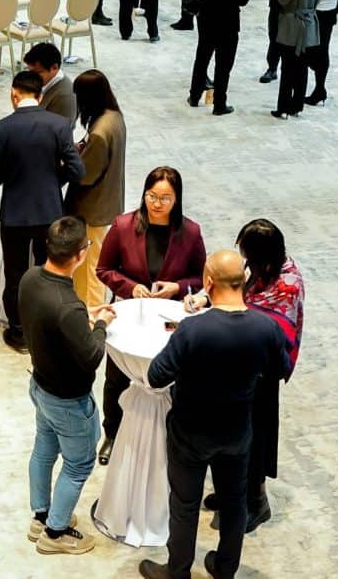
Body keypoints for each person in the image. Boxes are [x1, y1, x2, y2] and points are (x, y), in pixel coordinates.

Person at [138, 250, 290, 579]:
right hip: (237, 431)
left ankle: (177, 571)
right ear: (244, 279)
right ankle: (224, 568)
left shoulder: (192, 330)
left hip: (190, 432)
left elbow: (156, 376)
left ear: (208, 283)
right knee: (234, 501)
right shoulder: (266, 327)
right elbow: (280, 369)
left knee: (185, 504)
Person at [197, 220, 305, 533]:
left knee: (256, 437)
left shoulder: (287, 285)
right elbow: (240, 298)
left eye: (247, 254)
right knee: (234, 433)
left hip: (264, 371)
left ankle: (256, 502)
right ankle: (235, 493)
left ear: (264, 257)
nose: (244, 261)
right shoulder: (259, 269)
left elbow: (266, 327)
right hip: (241, 365)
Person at [95, 167, 206, 464]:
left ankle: (171, 437)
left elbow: (202, 278)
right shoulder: (123, 226)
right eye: (152, 196)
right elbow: (103, 270)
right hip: (131, 314)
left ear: (177, 199)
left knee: (174, 377)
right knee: (115, 378)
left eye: (165, 198)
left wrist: (178, 287)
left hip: (169, 320)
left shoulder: (190, 232)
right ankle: (112, 433)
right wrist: (132, 288)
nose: (157, 203)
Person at [20, 215, 116, 556]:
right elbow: (91, 357)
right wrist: (100, 323)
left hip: (40, 386)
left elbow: (50, 321)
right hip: (68, 400)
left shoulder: (31, 279)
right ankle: (55, 533)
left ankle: (41, 516)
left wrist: (82, 317)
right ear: (81, 254)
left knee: (44, 449)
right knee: (78, 464)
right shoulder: (67, 305)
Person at [0, 71, 85, 352]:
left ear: (14, 95)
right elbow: (77, 171)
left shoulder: (0, 129)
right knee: (49, 271)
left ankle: (19, 333)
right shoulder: (60, 125)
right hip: (49, 213)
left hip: (14, 214)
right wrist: (54, 180)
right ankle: (48, 326)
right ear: (40, 96)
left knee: (16, 275)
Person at [65, 70, 126, 307]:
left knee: (89, 268)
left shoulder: (100, 132)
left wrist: (69, 161)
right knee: (90, 264)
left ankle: (90, 315)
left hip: (93, 209)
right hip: (108, 202)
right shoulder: (114, 117)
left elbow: (86, 175)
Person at [188, 0, 250, 115]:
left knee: (202, 57)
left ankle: (194, 95)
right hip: (227, 22)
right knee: (223, 65)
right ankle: (219, 104)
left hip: (206, 17)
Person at [273, 0, 324, 119]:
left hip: (292, 26)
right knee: (302, 68)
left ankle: (283, 107)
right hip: (309, 25)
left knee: (287, 68)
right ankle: (297, 105)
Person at [24, 41, 77, 125]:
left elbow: (57, 134)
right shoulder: (45, 82)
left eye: (37, 73)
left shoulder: (64, 96)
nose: (32, 77)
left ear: (54, 68)